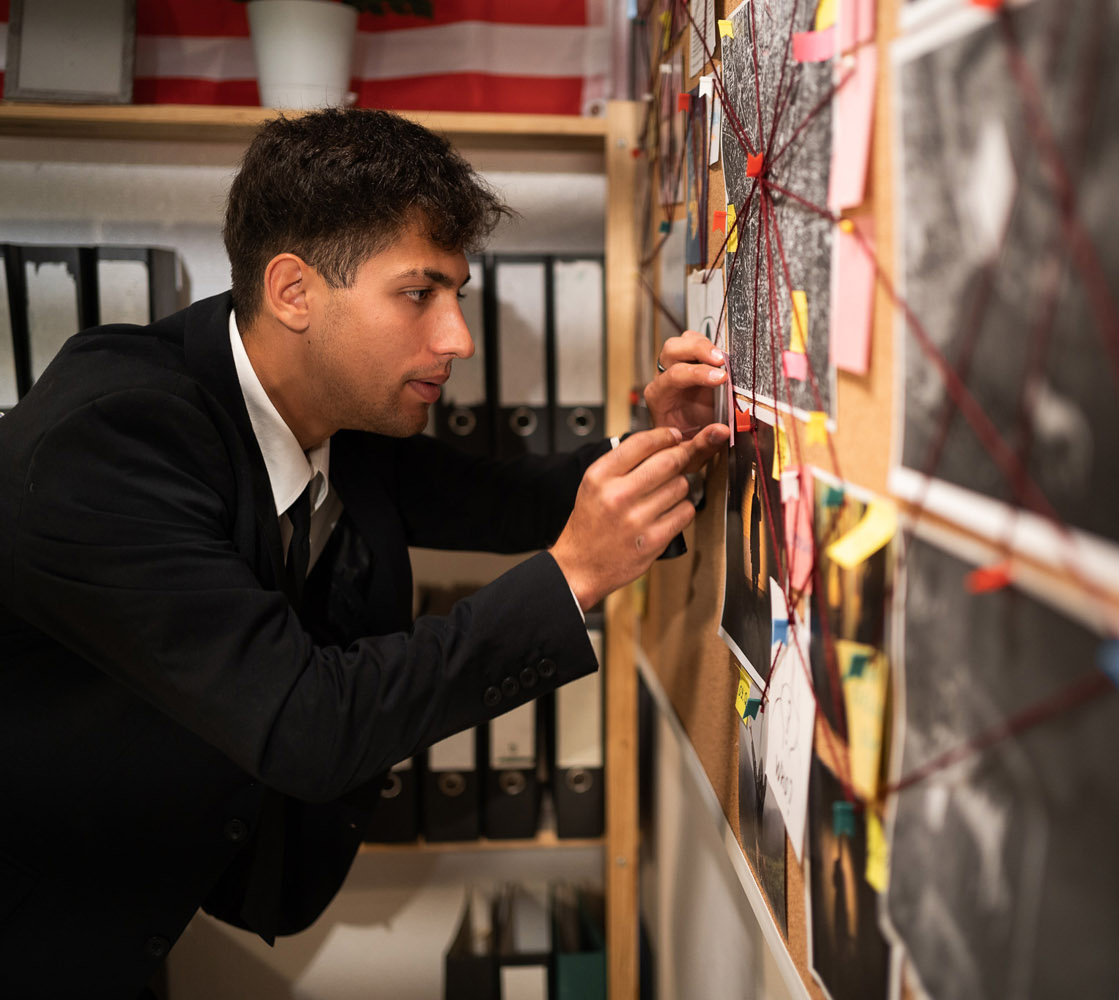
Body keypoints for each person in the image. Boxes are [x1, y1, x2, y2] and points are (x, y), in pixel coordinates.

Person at [0, 108, 729, 998]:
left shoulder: (328, 403)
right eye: (418, 294)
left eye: (456, 294)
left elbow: (503, 500)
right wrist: (574, 575)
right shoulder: (107, 447)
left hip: (122, 899)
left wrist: (660, 446)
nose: (457, 337)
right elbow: (306, 722)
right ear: (293, 291)